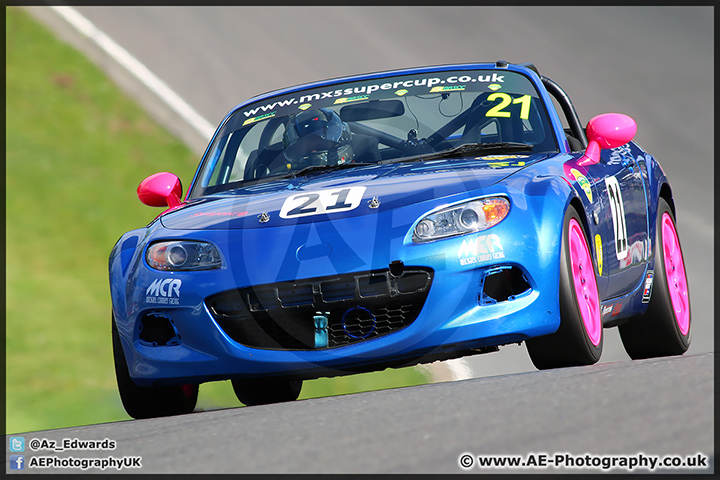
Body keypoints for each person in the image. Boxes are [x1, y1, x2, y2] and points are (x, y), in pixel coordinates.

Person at [282, 108, 355, 166]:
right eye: (306, 151)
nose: (314, 153)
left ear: (335, 145)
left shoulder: (362, 170)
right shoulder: (280, 179)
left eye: (320, 147)